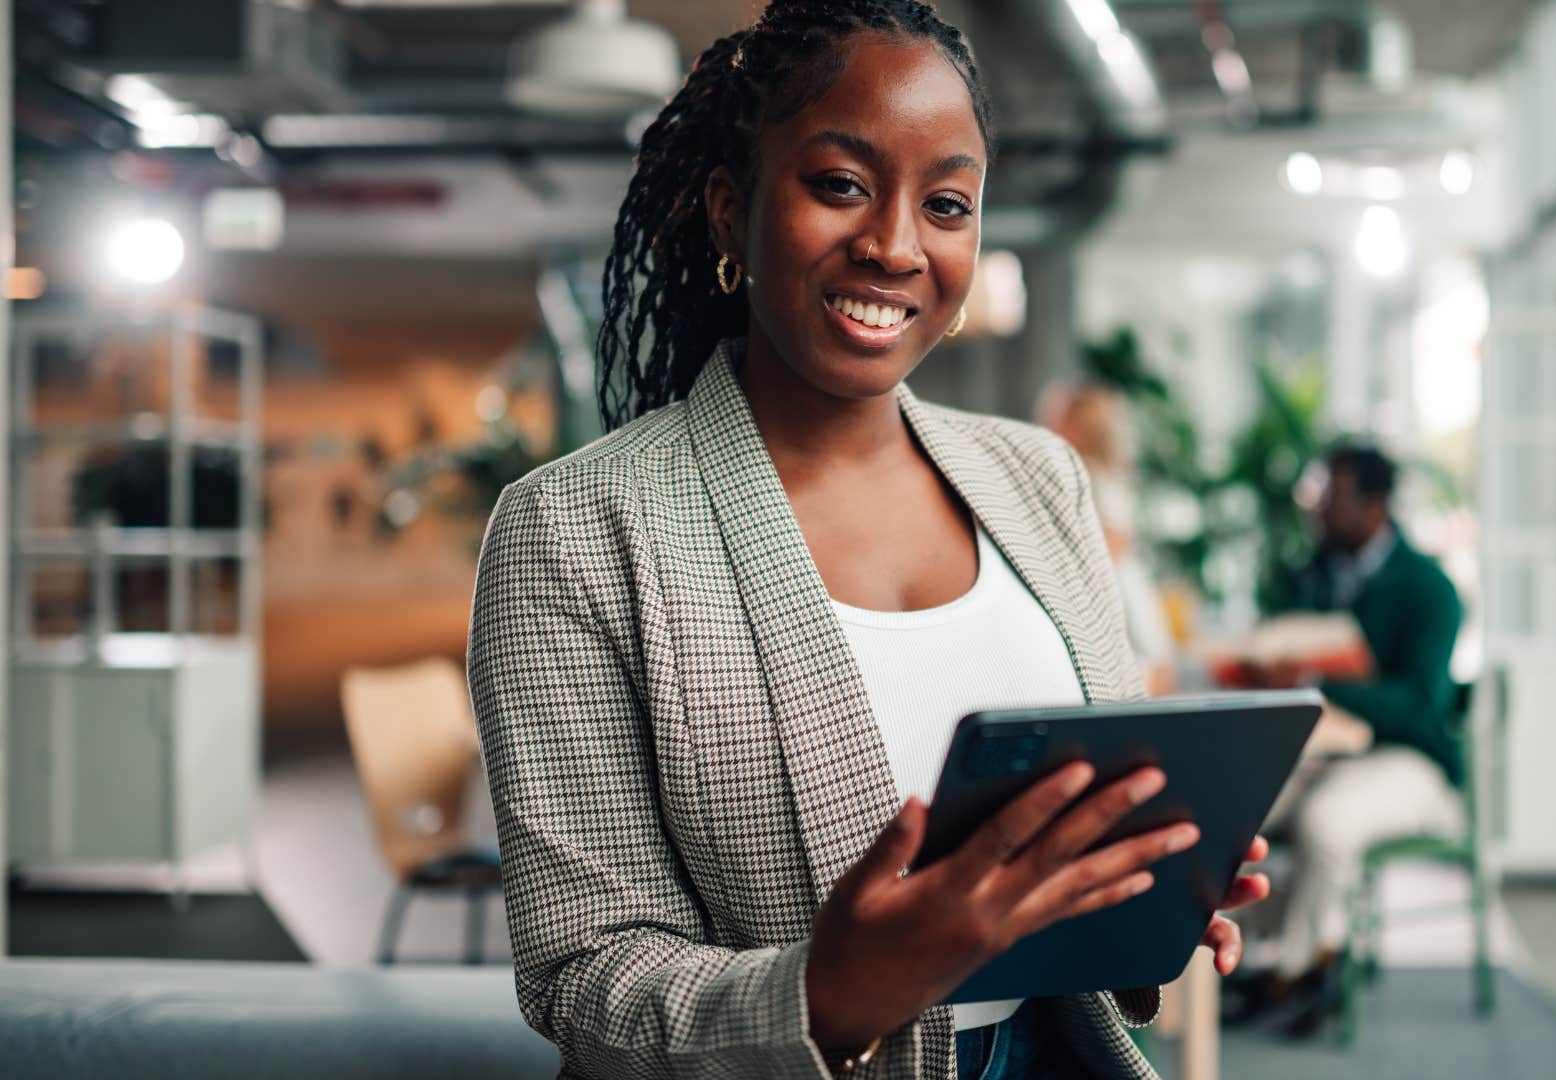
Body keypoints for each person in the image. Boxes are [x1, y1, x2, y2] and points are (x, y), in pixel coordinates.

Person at [465, 5, 1269, 1077]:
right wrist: (831, 991)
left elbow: (1075, 828)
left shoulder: (1038, 480)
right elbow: (581, 974)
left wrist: (1139, 891)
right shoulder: (576, 532)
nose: (895, 245)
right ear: (727, 210)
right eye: (840, 184)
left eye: (945, 204)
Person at [1236, 442, 1465, 1029]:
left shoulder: (1429, 588)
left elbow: (1420, 706)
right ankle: (1263, 953)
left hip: (1409, 761)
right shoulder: (1303, 574)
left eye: (1332, 497)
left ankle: (1302, 967)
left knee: (1326, 822)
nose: (1318, 509)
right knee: (1232, 803)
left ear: (1375, 507)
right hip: (1318, 753)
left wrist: (1320, 680)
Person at [1036, 382, 1179, 696]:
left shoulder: (1092, 477)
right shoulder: (1107, 476)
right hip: (1122, 584)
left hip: (1112, 588)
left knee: (1138, 666)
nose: (1047, 426)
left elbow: (1115, 540)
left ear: (1080, 427)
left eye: (1060, 419)